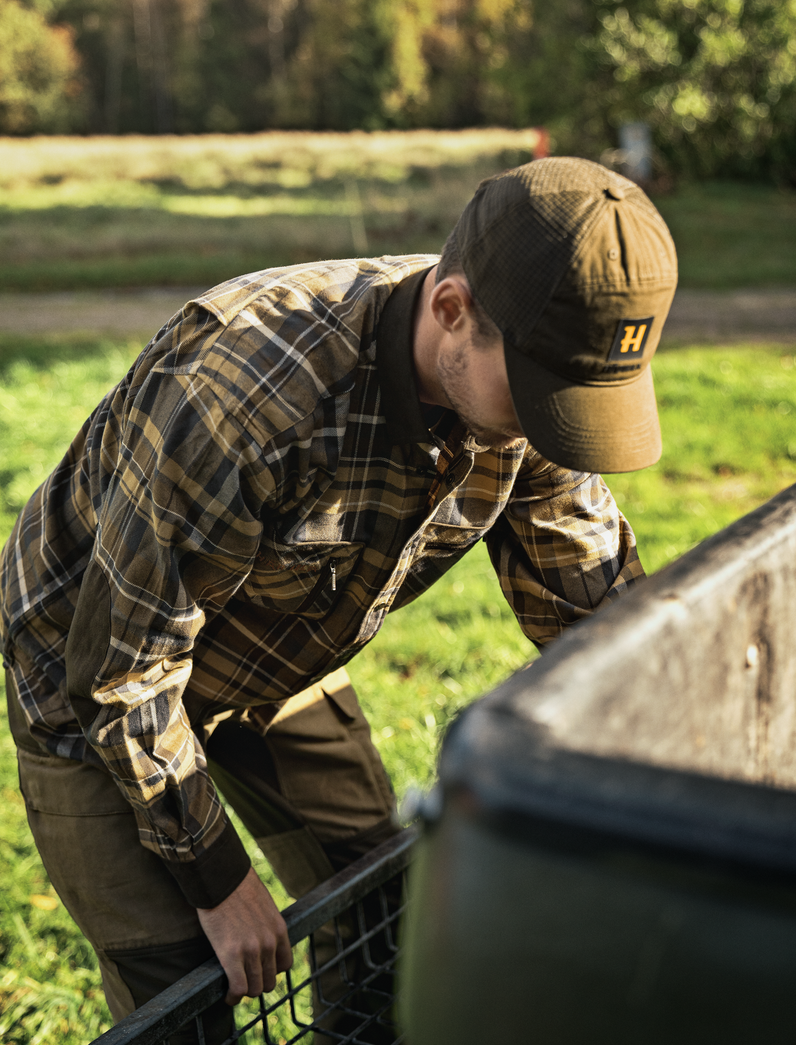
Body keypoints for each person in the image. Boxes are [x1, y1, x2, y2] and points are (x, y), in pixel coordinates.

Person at [0, 157, 678, 1041]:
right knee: (186, 985)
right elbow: (122, 671)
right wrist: (218, 880)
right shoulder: (246, 396)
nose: (558, 429)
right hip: (90, 675)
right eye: (547, 396)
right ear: (450, 312)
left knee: (380, 902)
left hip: (276, 646)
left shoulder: (530, 391)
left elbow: (595, 611)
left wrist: (673, 776)